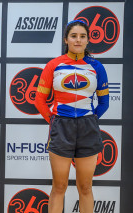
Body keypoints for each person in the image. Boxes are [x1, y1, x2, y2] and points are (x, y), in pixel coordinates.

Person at [35, 20, 109, 213]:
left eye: (82, 36)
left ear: (87, 41)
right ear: (66, 39)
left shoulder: (97, 67)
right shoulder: (54, 65)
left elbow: (104, 103)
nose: (78, 40)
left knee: (85, 187)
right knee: (59, 187)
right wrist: (54, 120)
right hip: (61, 125)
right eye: (74, 36)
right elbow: (39, 100)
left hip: (88, 127)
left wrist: (90, 119)